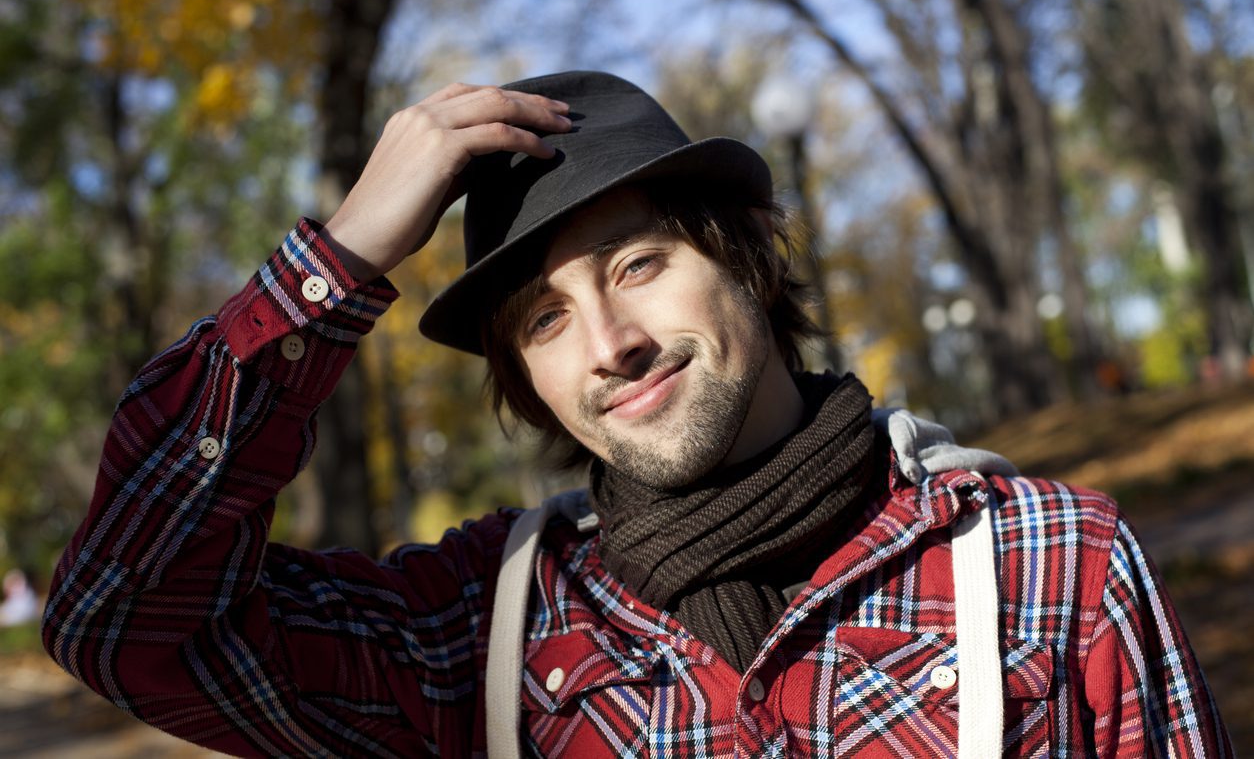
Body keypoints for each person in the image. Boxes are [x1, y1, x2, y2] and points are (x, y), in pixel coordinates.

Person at [43, 71, 1230, 757]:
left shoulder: (1046, 564)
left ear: (751, 263)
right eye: (545, 320)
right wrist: (337, 260)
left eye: (637, 263)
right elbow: (124, 619)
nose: (610, 344)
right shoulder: (480, 636)